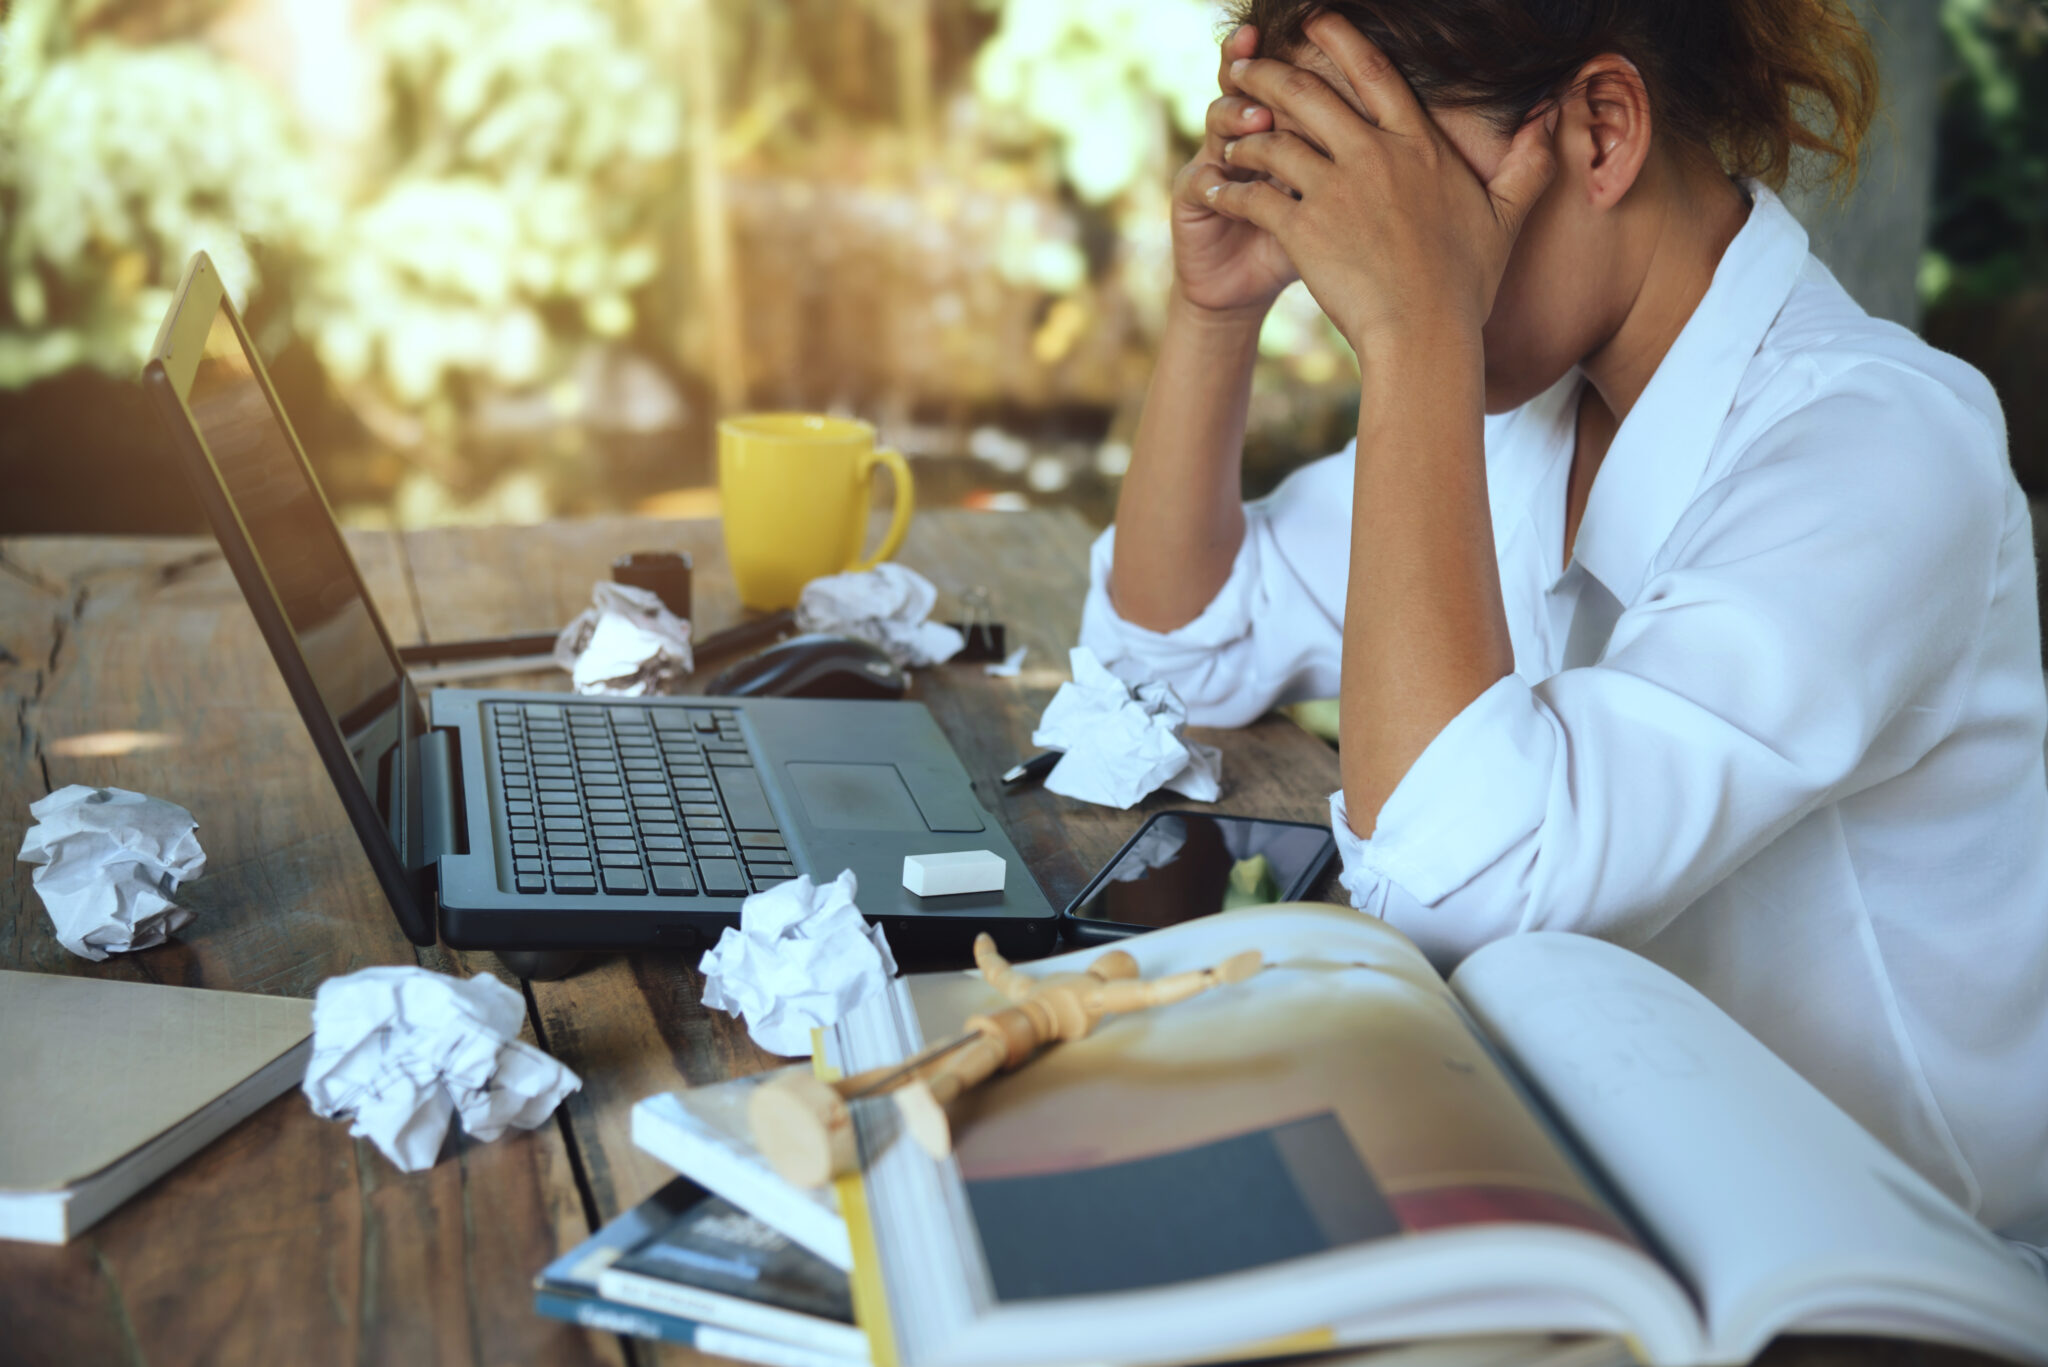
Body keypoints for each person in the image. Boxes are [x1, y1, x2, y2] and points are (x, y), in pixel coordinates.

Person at [1080, 0, 2048, 1259]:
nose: (1351, 275)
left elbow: (1462, 880)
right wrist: (1212, 314)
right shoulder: (1529, 410)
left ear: (1601, 131)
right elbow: (1176, 647)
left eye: (1408, 202)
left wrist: (1417, 318)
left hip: (1893, 1273)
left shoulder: (1881, 448)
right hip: (1613, 1173)